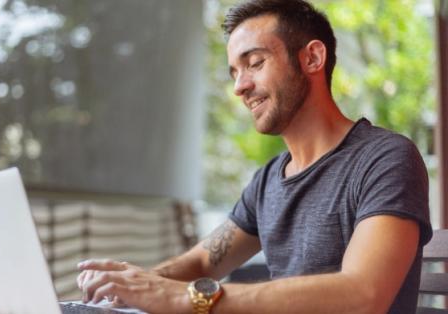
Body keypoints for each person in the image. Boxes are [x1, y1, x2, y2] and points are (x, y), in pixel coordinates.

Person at [77, 0, 433, 313]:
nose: (239, 87)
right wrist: (140, 283)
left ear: (312, 57)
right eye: (235, 72)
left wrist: (189, 299)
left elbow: (362, 295)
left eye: (255, 63)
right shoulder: (268, 180)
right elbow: (204, 260)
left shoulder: (385, 159)